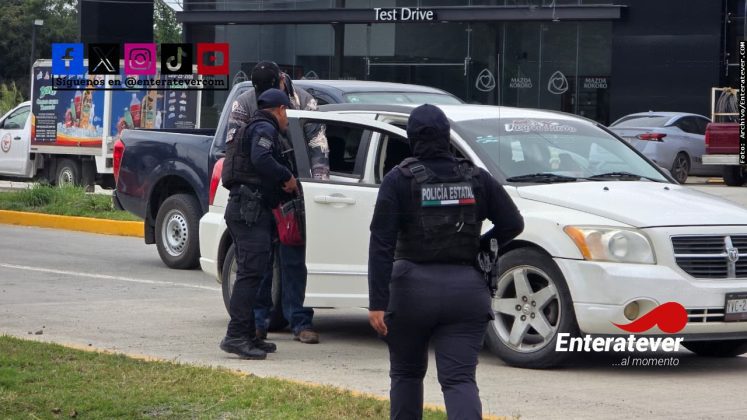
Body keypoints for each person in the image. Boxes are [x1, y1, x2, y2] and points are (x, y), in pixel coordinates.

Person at [368, 104, 524, 419]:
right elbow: (513, 223)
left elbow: (382, 243)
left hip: (410, 292)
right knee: (459, 380)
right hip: (466, 291)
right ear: (447, 136)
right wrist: (480, 245)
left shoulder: (398, 180)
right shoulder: (476, 178)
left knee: (406, 374)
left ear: (412, 139)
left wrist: (377, 302)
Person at [227, 62, 327, 344]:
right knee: (259, 263)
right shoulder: (244, 103)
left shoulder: (304, 102)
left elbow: (319, 147)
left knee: (294, 258)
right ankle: (258, 324)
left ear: (282, 82)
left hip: (294, 193)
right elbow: (237, 149)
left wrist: (316, 187)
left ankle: (300, 320)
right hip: (258, 194)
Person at [219, 88, 298, 360]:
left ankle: (249, 334)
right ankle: (235, 336)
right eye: (287, 113)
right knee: (250, 274)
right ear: (280, 109)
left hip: (250, 209)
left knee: (256, 272)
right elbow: (261, 158)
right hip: (248, 211)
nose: (287, 119)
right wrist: (286, 177)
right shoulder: (264, 128)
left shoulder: (256, 126)